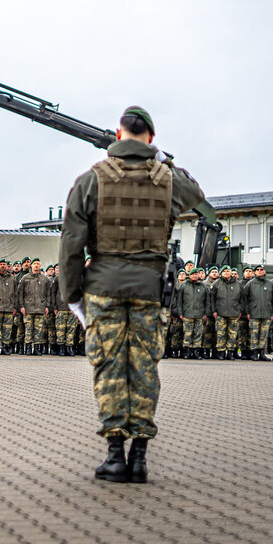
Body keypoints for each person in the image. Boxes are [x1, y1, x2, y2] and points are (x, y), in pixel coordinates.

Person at [58, 105, 205, 484]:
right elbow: (197, 194)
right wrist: (164, 161)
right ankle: (139, 457)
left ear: (118, 135)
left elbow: (72, 244)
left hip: (103, 288)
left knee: (109, 367)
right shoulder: (167, 179)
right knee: (143, 367)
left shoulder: (90, 179)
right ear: (152, 140)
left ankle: (114, 456)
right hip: (148, 289)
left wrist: (73, 295)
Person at [242, 263, 273, 361]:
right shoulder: (250, 284)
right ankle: (254, 353)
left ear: (264, 271)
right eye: (258, 270)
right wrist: (248, 312)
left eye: (261, 269)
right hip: (254, 313)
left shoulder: (270, 284)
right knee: (254, 333)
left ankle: (262, 353)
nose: (260, 271)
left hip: (266, 313)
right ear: (254, 272)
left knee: (264, 334)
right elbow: (245, 300)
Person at [175, 266, 209, 359]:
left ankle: (196, 352)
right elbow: (179, 301)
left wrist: (206, 313)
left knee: (198, 333)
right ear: (189, 275)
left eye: (196, 274)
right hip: (187, 313)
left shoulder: (203, 286)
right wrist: (180, 313)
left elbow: (207, 301)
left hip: (200, 314)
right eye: (193, 274)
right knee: (187, 333)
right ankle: (187, 351)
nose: (195, 276)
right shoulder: (184, 285)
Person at [211, 266, 243, 360]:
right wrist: (214, 311)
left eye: (228, 271)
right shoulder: (217, 283)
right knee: (221, 333)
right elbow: (212, 298)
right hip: (221, 313)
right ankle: (221, 352)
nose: (226, 272)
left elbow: (243, 298)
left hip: (234, 312)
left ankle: (230, 352)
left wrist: (240, 310)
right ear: (221, 273)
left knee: (232, 333)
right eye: (224, 271)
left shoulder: (238, 284)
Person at [20, 259, 49, 356]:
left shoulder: (44, 279)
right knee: (28, 328)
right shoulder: (25, 278)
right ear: (31, 266)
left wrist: (47, 306)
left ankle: (37, 348)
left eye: (38, 264)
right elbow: (20, 293)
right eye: (34, 264)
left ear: (40, 266)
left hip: (40, 307)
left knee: (39, 329)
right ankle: (28, 347)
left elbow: (48, 294)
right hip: (28, 307)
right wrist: (21, 306)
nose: (36, 265)